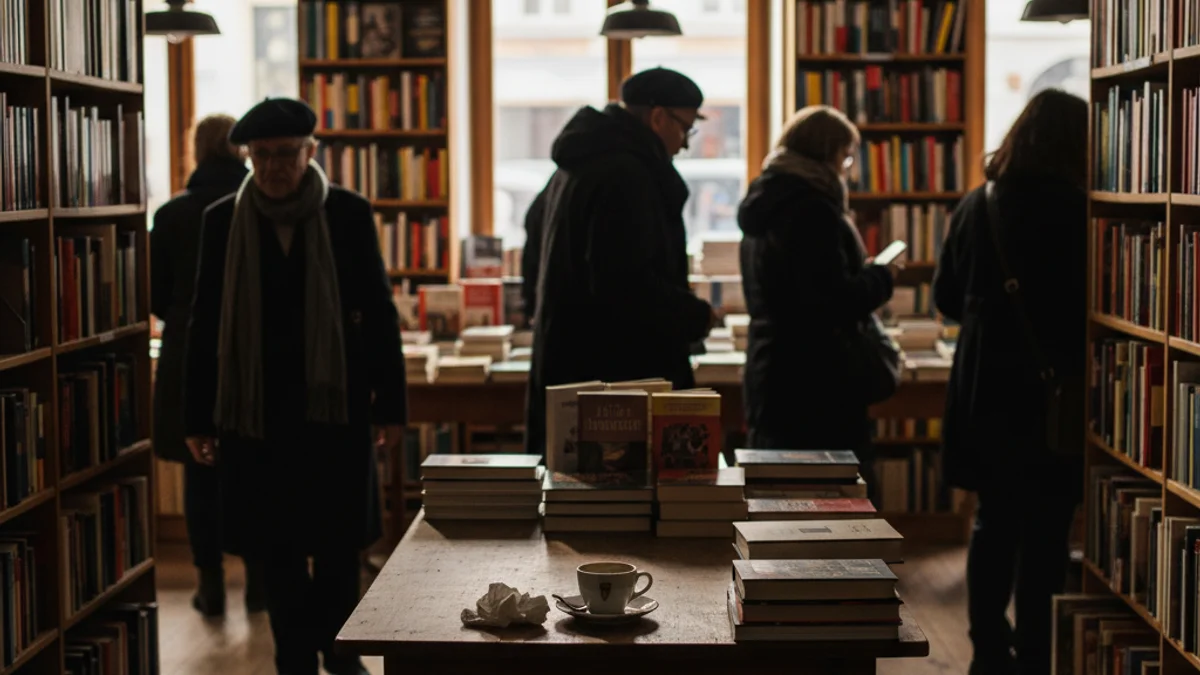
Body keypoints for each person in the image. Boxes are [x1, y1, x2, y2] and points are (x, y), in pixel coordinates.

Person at [182, 98, 406, 675]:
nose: (275, 166)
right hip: (257, 416)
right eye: (262, 156)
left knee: (337, 552)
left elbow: (379, 312)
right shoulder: (222, 220)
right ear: (249, 157)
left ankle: (341, 652)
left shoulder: (348, 214)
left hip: (335, 408)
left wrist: (391, 402)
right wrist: (196, 419)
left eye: (287, 154)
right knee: (275, 554)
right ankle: (293, 659)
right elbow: (204, 322)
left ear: (311, 152)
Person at [932, 89, 1088, 675]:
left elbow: (946, 298)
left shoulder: (980, 204)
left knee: (992, 522)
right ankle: (1036, 654)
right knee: (1048, 529)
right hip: (1052, 393)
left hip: (985, 390)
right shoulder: (1082, 210)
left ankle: (988, 650)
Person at [522, 67, 718, 459]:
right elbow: (625, 284)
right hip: (618, 379)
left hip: (572, 365)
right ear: (658, 117)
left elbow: (534, 249)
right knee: (621, 503)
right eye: (685, 128)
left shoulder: (575, 164)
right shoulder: (626, 174)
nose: (683, 145)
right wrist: (696, 316)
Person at [736, 105, 898, 477]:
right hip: (817, 381)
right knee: (834, 494)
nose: (846, 169)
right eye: (844, 157)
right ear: (826, 153)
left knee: (778, 491)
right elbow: (832, 302)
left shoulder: (766, 202)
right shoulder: (813, 211)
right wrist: (882, 276)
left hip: (770, 371)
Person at [150, 114, 266, 618]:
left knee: (200, 476)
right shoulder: (258, 206)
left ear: (196, 150)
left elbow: (154, 295)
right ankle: (261, 583)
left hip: (185, 353)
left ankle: (211, 584)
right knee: (260, 468)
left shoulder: (174, 213)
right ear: (242, 150)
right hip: (251, 354)